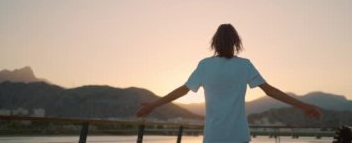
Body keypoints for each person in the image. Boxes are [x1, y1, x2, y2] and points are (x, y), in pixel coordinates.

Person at [136, 24, 321, 143]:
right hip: (239, 136)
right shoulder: (244, 66)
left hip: (213, 137)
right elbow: (271, 91)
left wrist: (153, 105)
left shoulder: (205, 65)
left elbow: (182, 90)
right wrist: (303, 105)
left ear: (215, 42)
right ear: (236, 42)